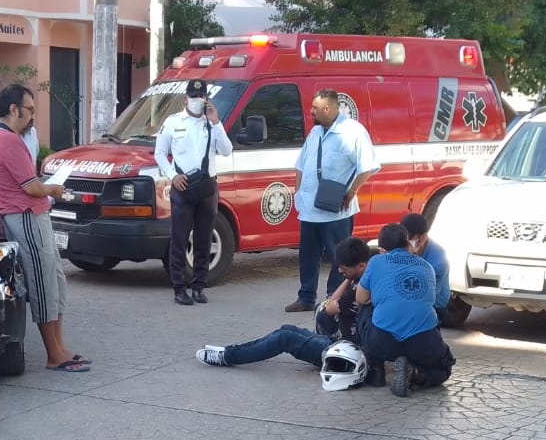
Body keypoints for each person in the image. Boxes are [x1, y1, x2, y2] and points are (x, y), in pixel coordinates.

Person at [0, 83, 89, 372]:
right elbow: (35, 188)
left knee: (55, 281)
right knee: (42, 283)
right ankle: (54, 354)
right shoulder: (7, 141)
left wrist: (4, 183)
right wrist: (54, 189)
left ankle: (60, 348)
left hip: (27, 215)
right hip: (26, 216)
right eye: (29, 110)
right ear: (14, 109)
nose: (32, 116)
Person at [195, 237, 372, 377]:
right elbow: (332, 302)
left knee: (285, 338)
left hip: (345, 353)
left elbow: (330, 307)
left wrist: (349, 281)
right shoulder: (364, 278)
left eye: (345, 269)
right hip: (340, 342)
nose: (341, 272)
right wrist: (349, 278)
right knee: (285, 329)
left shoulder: (358, 291)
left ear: (361, 266)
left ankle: (227, 357)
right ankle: (230, 350)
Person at [286, 89, 379, 313]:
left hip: (335, 210)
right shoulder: (315, 133)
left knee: (339, 257)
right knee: (307, 255)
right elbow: (301, 165)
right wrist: (298, 193)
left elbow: (368, 166)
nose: (311, 112)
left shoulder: (352, 132)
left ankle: (333, 298)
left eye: (315, 109)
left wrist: (352, 190)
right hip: (309, 208)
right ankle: (306, 297)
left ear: (328, 109)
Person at [155, 79, 232, 306]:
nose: (197, 100)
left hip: (207, 188)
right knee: (179, 238)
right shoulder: (173, 122)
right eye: (193, 96)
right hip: (183, 186)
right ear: (186, 98)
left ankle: (199, 286)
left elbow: (227, 150)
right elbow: (159, 153)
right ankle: (179, 287)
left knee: (204, 239)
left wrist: (216, 122)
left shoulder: (212, 124)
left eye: (201, 96)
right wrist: (172, 175)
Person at [356, 222, 455, 396]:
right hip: (422, 340)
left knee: (366, 308)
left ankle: (376, 367)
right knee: (443, 370)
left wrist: (380, 298)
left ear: (382, 248)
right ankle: (415, 373)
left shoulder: (376, 261)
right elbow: (431, 302)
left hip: (382, 341)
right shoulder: (426, 266)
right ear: (407, 243)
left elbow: (361, 298)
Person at [400, 211, 456, 327]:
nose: (405, 243)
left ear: (422, 237)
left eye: (409, 238)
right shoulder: (403, 244)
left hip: (433, 307)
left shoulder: (438, 261)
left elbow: (425, 298)